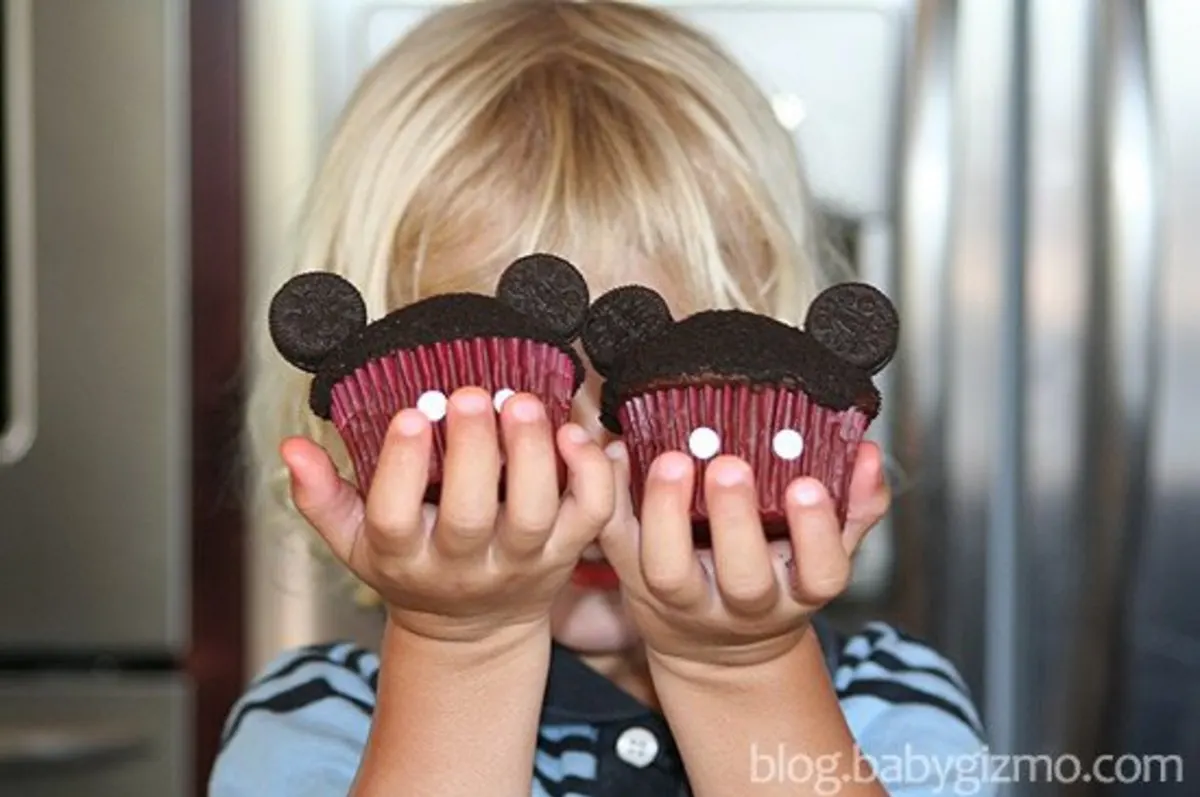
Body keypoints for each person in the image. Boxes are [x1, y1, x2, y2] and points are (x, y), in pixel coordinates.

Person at [214, 2, 991, 795]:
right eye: (500, 410)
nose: (587, 471)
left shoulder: (887, 699)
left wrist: (741, 670)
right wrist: (462, 647)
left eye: (661, 399)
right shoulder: (318, 718)